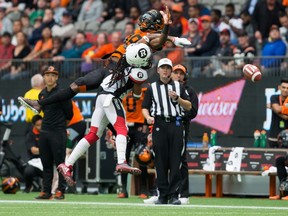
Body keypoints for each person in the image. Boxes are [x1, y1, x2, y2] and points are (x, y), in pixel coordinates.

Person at [18, 7, 191, 182]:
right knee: (75, 87)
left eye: (148, 19)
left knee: (98, 125)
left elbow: (159, 39)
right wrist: (170, 33)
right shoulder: (142, 35)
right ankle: (41, 104)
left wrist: (172, 35)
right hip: (109, 70)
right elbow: (159, 38)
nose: (143, 21)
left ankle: (75, 162)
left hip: (115, 75)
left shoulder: (148, 43)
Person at [142, 58, 192, 205]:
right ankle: (162, 195)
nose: (165, 70)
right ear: (158, 70)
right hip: (159, 124)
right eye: (162, 67)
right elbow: (145, 107)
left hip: (176, 123)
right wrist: (148, 117)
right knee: (160, 161)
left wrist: (178, 99)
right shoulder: (152, 88)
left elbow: (189, 106)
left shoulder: (178, 86)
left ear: (171, 71)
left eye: (168, 68)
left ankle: (174, 195)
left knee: (176, 160)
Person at [35, 66, 73, 200]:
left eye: (53, 75)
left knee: (60, 163)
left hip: (58, 132)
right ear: (44, 77)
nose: (50, 77)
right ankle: (46, 191)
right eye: (48, 75)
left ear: (57, 77)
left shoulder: (63, 93)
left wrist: (60, 127)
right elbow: (44, 111)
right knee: (46, 163)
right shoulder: (42, 93)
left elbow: (70, 114)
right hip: (45, 132)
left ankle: (60, 191)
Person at [171, 64, 198, 204]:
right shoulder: (163, 89)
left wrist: (181, 116)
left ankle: (184, 193)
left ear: (185, 76)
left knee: (181, 159)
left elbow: (193, 111)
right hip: (165, 127)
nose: (179, 76)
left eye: (181, 73)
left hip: (181, 126)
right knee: (162, 160)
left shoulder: (189, 91)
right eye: (176, 73)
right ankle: (161, 192)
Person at [117, 87, 149, 199]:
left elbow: (147, 106)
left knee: (142, 158)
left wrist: (145, 126)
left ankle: (144, 189)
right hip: (125, 127)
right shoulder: (122, 91)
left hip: (139, 127)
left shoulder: (144, 90)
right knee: (123, 158)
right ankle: (123, 190)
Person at [23, 115, 43, 193]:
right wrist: (46, 150)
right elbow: (34, 150)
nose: (40, 127)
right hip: (34, 161)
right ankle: (29, 187)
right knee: (28, 172)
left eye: (42, 125)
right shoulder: (30, 135)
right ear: (34, 125)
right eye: (38, 125)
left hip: (46, 160)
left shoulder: (47, 132)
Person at [267, 78, 288, 148]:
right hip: (273, 135)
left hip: (286, 137)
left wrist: (272, 108)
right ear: (279, 87)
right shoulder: (274, 97)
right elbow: (277, 109)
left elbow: (286, 117)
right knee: (272, 157)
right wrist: (276, 109)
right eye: (283, 87)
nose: (285, 90)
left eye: (287, 88)